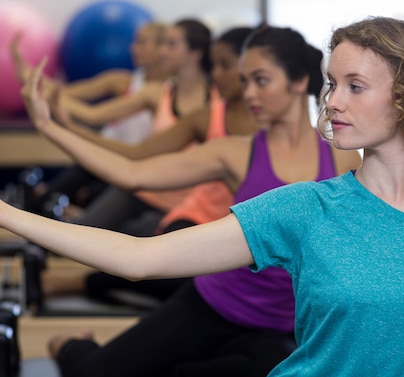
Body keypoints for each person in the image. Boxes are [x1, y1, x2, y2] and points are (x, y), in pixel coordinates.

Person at [0, 16, 404, 377]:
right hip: (218, 312)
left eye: (355, 86)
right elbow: (142, 259)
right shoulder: (305, 208)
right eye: (332, 84)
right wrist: (1, 212)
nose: (332, 102)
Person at [0, 24, 361, 377]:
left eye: (260, 80)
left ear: (299, 82)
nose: (248, 93)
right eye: (245, 81)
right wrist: (50, 128)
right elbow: (132, 172)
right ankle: (69, 344)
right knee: (96, 375)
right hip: (212, 304)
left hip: (279, 328)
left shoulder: (341, 156)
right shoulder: (237, 151)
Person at [44, 26, 260, 298]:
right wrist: (58, 127)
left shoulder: (264, 127)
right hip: (174, 205)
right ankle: (75, 273)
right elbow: (135, 158)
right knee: (124, 251)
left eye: (171, 44)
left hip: (203, 217)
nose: (217, 73)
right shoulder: (202, 114)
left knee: (145, 253)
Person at [10, 21, 169, 215]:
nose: (133, 47)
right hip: (102, 155)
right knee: (66, 184)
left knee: (85, 195)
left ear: (163, 49)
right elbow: (66, 93)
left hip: (128, 166)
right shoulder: (123, 81)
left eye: (142, 42)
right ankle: (44, 203)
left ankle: (55, 205)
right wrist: (27, 74)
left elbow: (91, 114)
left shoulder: (164, 93)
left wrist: (54, 105)